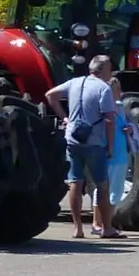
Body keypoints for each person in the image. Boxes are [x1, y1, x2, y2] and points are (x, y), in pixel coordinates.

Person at [45, 54, 125, 240]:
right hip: (94, 142)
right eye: (109, 68)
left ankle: (78, 228)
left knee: (75, 182)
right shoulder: (104, 88)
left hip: (72, 139)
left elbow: (50, 95)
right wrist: (111, 146)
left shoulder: (75, 82)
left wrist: (64, 118)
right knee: (102, 185)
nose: (111, 72)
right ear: (103, 70)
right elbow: (110, 119)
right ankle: (106, 228)